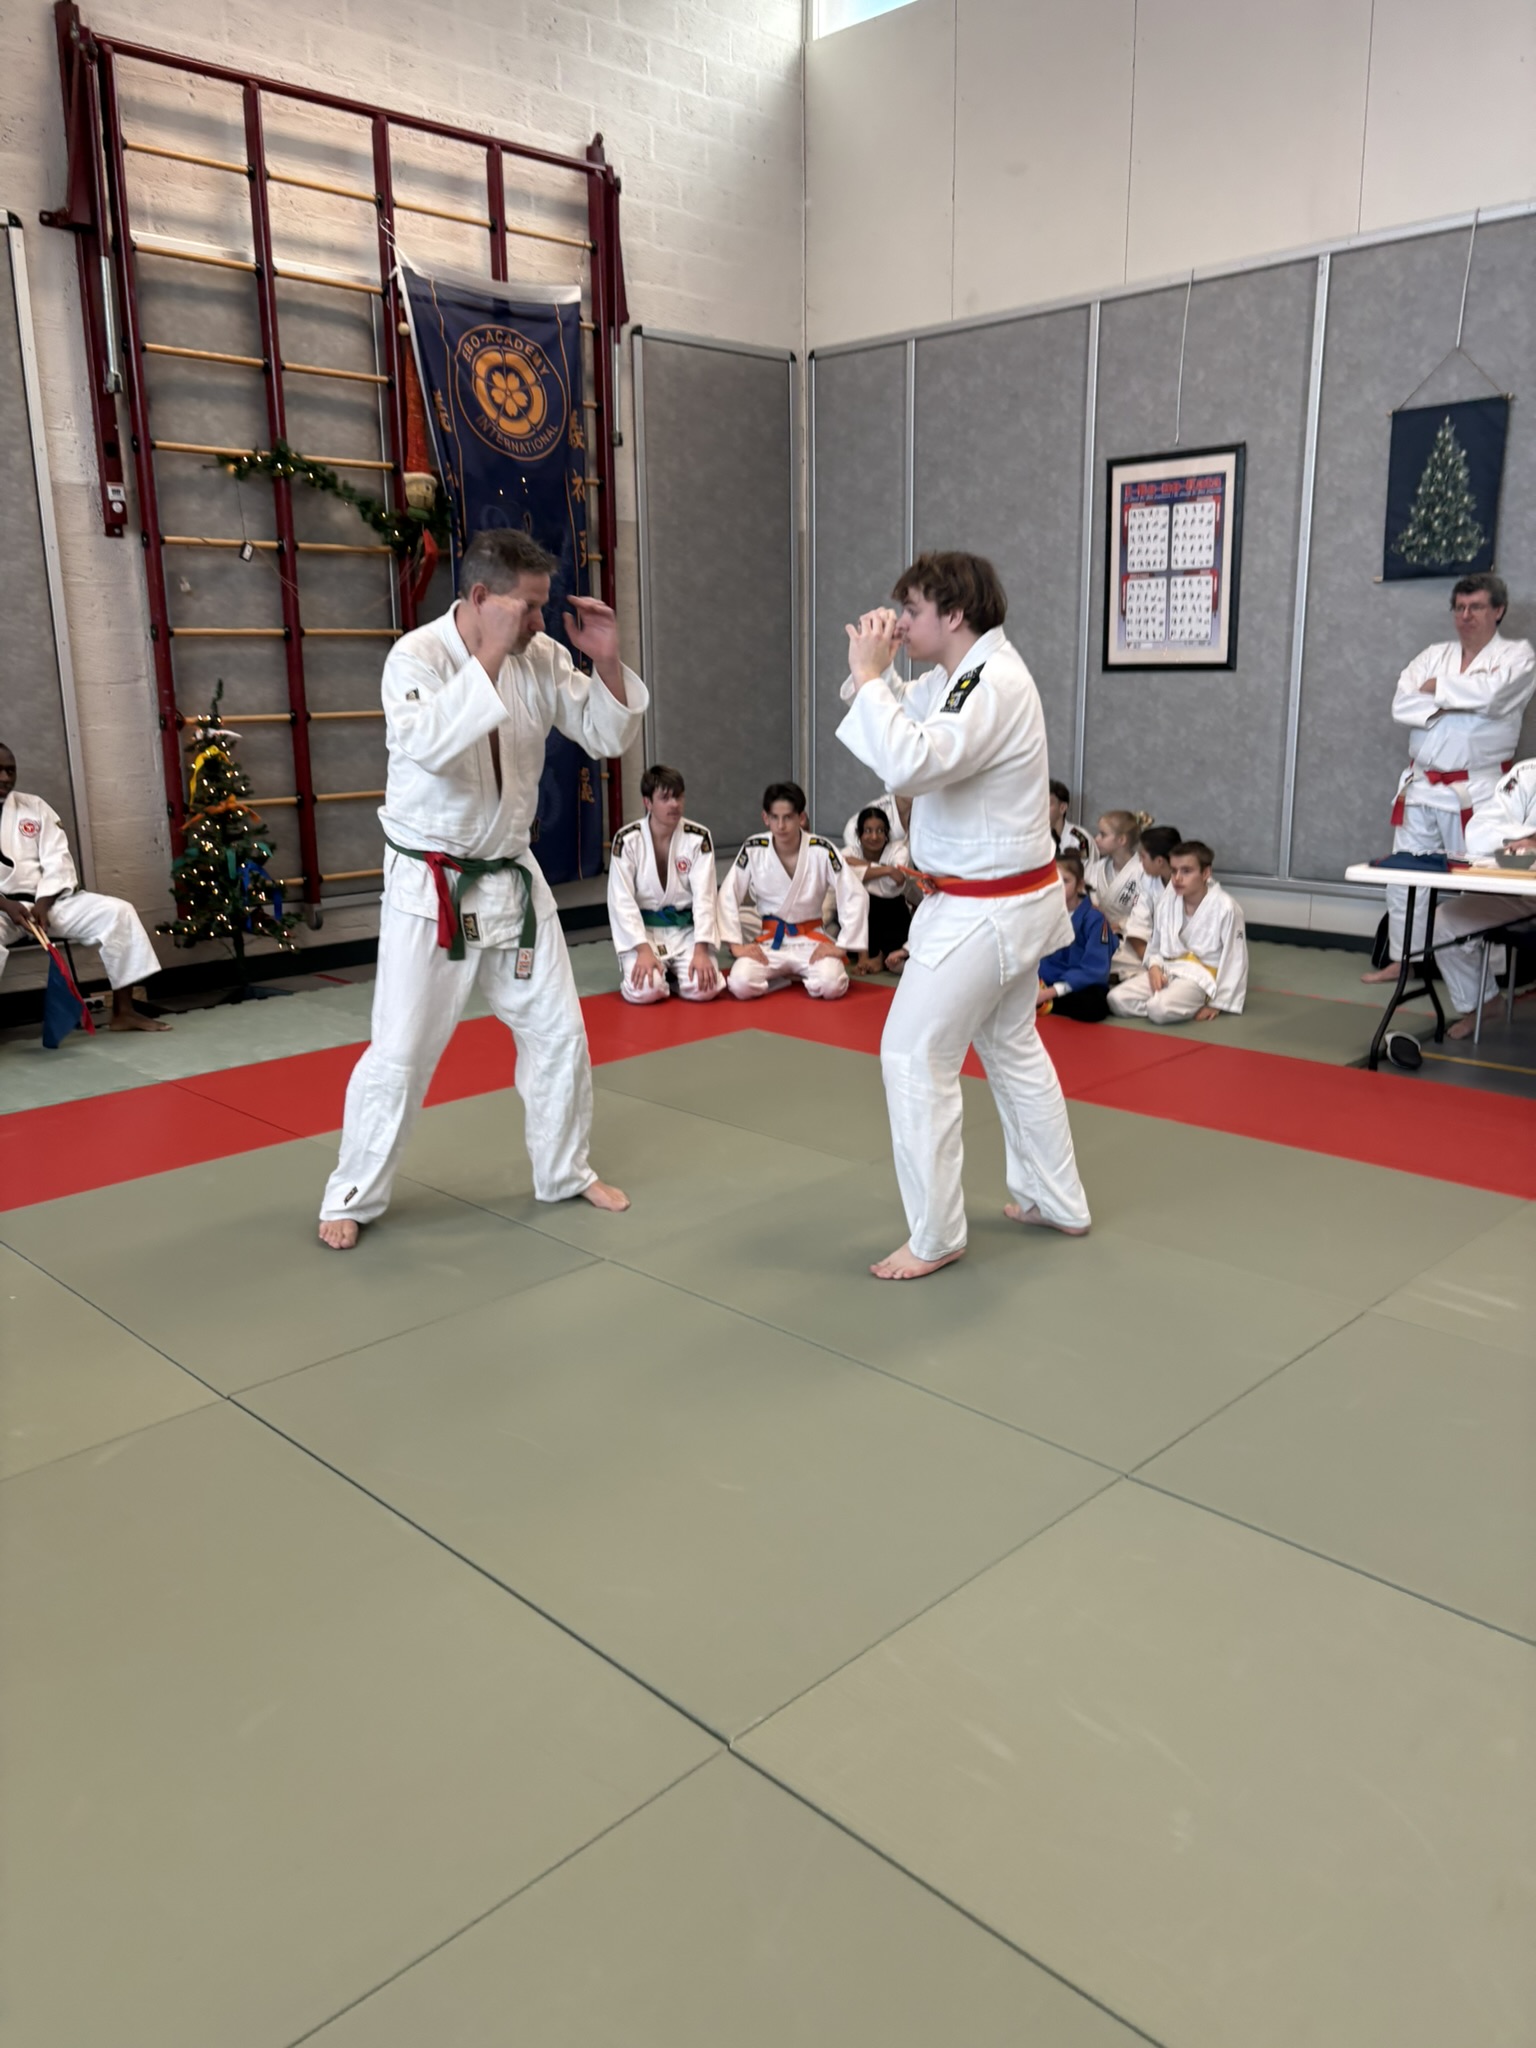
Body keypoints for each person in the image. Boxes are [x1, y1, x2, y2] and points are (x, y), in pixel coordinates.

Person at [317, 530, 645, 1251]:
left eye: (541, 607)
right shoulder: (416, 658)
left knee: (559, 1037)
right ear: (480, 598)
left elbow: (605, 736)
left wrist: (606, 660)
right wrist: (491, 656)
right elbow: (431, 747)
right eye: (527, 607)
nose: (540, 621)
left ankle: (564, 1171)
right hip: (432, 884)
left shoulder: (542, 655)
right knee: (401, 1051)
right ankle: (351, 1193)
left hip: (511, 878)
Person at [839, 550, 1090, 1281]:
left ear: (954, 614)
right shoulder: (961, 676)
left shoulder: (991, 683)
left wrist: (869, 678)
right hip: (1002, 903)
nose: (902, 621)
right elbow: (903, 714)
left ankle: (937, 1234)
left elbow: (911, 764)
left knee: (913, 1055)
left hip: (986, 912)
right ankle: (1055, 1198)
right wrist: (875, 668)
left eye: (912, 610)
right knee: (1011, 1045)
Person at [1366, 574, 1535, 983]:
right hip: (1421, 784)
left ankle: (1490, 975)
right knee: (1405, 878)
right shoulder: (1432, 655)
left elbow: (1494, 697)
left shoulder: (1518, 656)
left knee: (1483, 882)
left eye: (1476, 607)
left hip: (1479, 790)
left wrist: (1436, 691)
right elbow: (1401, 705)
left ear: (1498, 610)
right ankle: (1404, 958)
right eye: (1459, 607)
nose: (1466, 615)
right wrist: (1460, 700)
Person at [0, 743, 168, 1031]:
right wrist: (6, 905)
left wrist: (43, 903)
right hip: (4, 910)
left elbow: (57, 858)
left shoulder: (34, 807)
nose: (5, 778)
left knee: (118, 912)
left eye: (10, 771)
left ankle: (124, 1011)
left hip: (47, 904)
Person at [718, 782, 868, 1000]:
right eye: (775, 817)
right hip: (770, 942)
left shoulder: (821, 849)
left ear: (801, 818)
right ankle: (786, 976)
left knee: (832, 986)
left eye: (788, 817)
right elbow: (728, 894)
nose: (781, 826)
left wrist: (842, 946)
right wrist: (736, 946)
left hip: (811, 941)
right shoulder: (754, 848)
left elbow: (854, 893)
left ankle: (792, 973)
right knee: (740, 984)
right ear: (765, 818)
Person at [1428, 759, 1536, 1037]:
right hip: (1525, 895)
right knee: (1446, 922)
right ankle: (1484, 1003)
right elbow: (1480, 830)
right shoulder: (1527, 774)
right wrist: (1524, 839)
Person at [607, 763, 723, 1004]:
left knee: (705, 988)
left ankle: (676, 976)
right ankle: (658, 974)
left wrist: (701, 950)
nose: (674, 804)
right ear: (647, 802)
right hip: (644, 933)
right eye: (665, 798)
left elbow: (705, 897)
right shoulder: (627, 841)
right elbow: (621, 901)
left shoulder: (698, 837)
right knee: (646, 990)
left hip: (685, 931)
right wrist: (642, 950)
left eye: (679, 797)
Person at [1109, 840, 1247, 1024]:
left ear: (1206, 873)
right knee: (1116, 999)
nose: (1177, 878)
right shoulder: (1168, 900)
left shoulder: (1226, 907)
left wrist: (1219, 1003)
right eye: (1174, 871)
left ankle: (1176, 1002)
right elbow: (1156, 944)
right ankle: (1168, 1002)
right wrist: (1154, 967)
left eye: (1186, 871)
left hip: (1201, 978)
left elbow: (1235, 958)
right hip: (1168, 970)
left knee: (1159, 1009)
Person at [1036, 852, 1114, 1021]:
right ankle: (1041, 1001)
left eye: (1065, 881)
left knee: (1094, 1005)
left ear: (1080, 885)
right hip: (1046, 979)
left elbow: (1095, 968)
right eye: (1053, 881)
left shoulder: (1094, 919)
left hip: (1080, 984)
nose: (1057, 887)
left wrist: (1049, 993)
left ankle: (1047, 1002)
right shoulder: (1043, 914)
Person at [842, 803, 912, 974]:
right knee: (858, 898)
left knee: (886, 903)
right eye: (868, 831)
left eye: (880, 831)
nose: (874, 837)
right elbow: (842, 875)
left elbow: (895, 882)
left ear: (887, 834)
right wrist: (887, 870)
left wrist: (860, 867)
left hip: (891, 914)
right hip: (859, 917)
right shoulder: (849, 852)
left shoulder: (898, 851)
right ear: (859, 833)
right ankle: (863, 957)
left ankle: (880, 957)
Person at [1118, 822, 1182, 974]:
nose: (1140, 862)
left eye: (1143, 856)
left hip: (1184, 955)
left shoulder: (1195, 887)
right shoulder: (1148, 880)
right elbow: (1138, 926)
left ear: (1159, 861)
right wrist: (1152, 964)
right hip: (1153, 950)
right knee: (1112, 951)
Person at [1085, 809, 1150, 940]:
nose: (1096, 839)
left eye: (1103, 835)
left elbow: (1147, 917)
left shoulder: (1144, 873)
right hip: (1093, 935)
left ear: (1121, 840)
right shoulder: (1095, 868)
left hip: (1129, 939)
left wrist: (1120, 925)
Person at [1049, 780, 1094, 863]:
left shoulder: (1081, 839)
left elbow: (1086, 869)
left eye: (1046, 804)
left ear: (1062, 808)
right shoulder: (1030, 836)